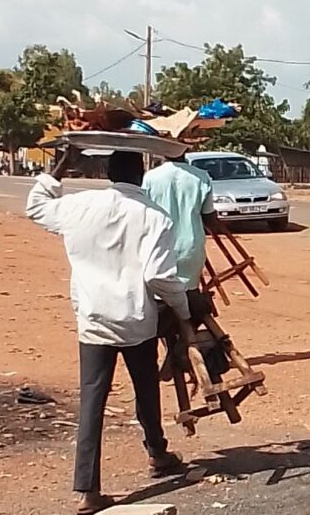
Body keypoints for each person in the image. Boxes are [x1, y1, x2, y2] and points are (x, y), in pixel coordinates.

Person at [26, 148, 196, 515]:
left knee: (93, 401)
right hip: (137, 319)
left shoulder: (81, 206)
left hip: (93, 319)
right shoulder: (155, 217)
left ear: (107, 172)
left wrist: (64, 160)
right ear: (141, 174)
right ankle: (157, 451)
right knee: (146, 389)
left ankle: (88, 490)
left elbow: (37, 206)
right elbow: (159, 277)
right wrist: (181, 309)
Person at [142, 154, 221, 293]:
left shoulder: (150, 177)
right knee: (188, 293)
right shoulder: (201, 177)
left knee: (158, 296)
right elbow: (209, 217)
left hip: (158, 247)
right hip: (190, 249)